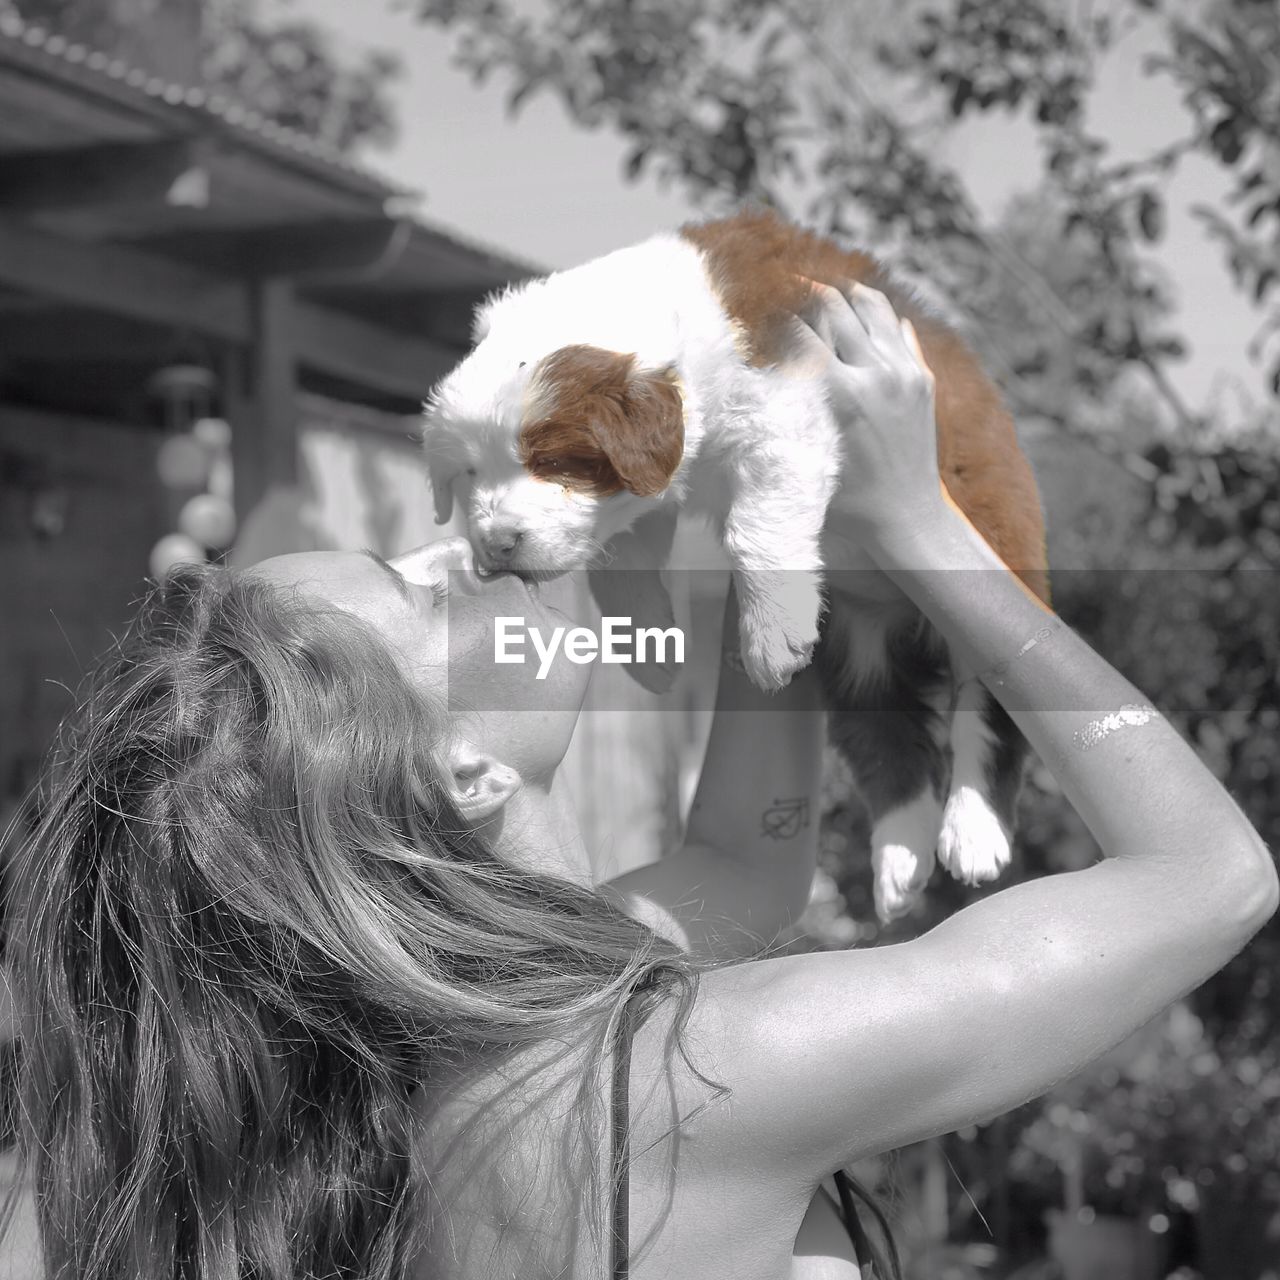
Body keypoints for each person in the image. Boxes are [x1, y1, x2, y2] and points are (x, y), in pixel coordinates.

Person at [2, 284, 1275, 1280]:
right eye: (422, 590)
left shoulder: (399, 1067)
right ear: (460, 765)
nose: (463, 547)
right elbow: (1206, 876)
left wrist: (775, 530)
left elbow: (747, 861)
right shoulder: (694, 1082)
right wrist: (921, 525)